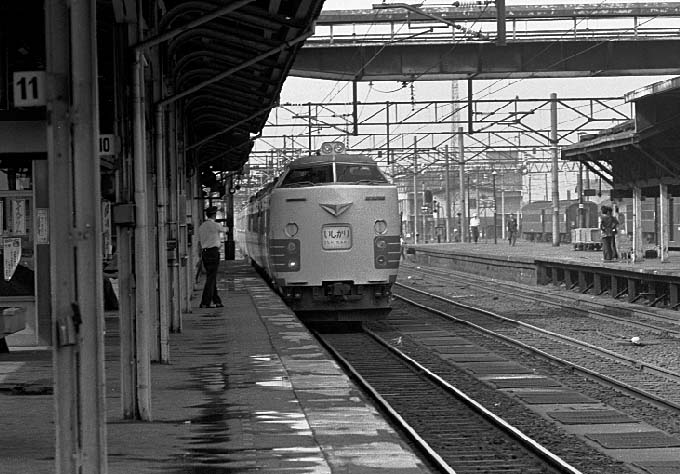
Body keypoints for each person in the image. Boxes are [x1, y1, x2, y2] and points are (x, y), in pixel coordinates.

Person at [198, 206, 226, 308]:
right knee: (211, 277)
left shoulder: (201, 226)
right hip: (213, 253)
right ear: (214, 215)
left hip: (205, 253)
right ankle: (205, 302)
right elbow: (224, 229)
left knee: (211, 276)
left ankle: (217, 301)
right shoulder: (216, 225)